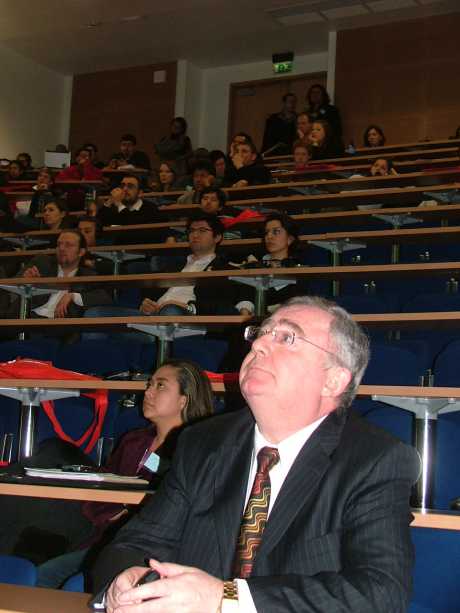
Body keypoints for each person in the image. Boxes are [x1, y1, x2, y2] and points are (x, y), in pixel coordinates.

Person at [91, 295, 419, 612]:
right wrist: (128, 581)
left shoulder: (375, 460)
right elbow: (132, 546)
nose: (258, 344)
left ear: (333, 380)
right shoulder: (203, 442)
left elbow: (381, 593)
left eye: (288, 338)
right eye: (261, 334)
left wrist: (227, 598)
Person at [35, 358, 214, 588]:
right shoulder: (134, 441)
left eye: (160, 386)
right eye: (149, 384)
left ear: (184, 400)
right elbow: (100, 488)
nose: (148, 392)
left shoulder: (195, 451)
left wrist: (127, 514)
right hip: (104, 538)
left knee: (49, 576)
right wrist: (114, 514)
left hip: (154, 550)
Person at [9, 229, 111, 319]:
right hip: (29, 317)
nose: (61, 248)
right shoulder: (42, 262)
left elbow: (105, 298)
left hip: (60, 327)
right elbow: (12, 284)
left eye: (68, 245)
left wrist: (73, 296)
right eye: (59, 244)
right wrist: (26, 280)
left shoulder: (88, 276)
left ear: (81, 252)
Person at [235, 213, 305, 315]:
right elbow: (245, 296)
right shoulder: (255, 265)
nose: (269, 236)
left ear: (290, 239)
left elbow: (296, 302)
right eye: (266, 232)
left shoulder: (298, 268)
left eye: (276, 232)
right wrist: (245, 312)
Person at [97, 174, 161, 239]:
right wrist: (109, 201)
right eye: (122, 186)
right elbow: (98, 224)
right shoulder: (113, 206)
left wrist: (119, 204)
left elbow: (130, 227)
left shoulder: (150, 208)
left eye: (130, 186)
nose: (124, 189)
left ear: (140, 193)